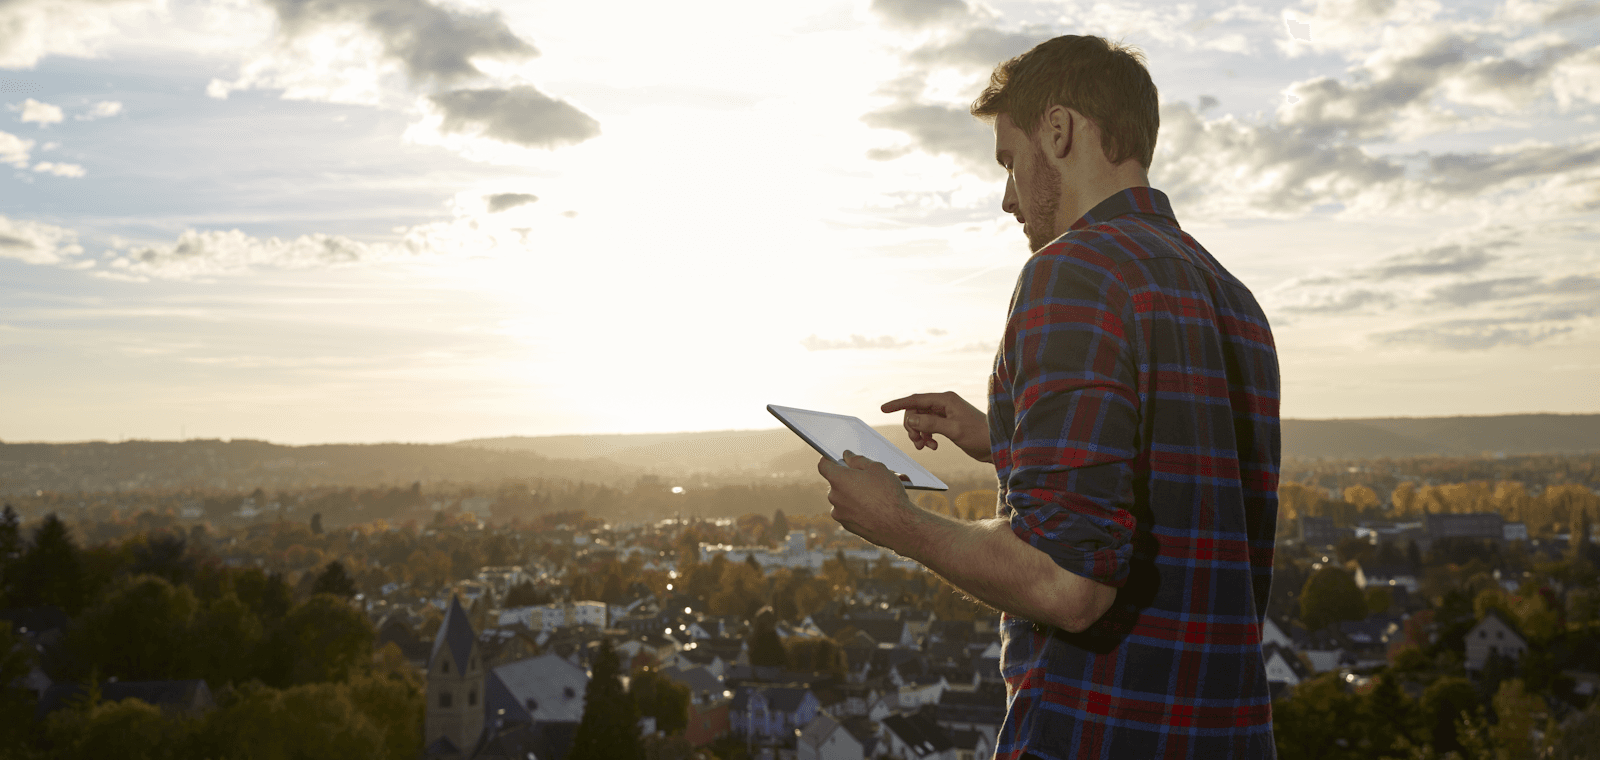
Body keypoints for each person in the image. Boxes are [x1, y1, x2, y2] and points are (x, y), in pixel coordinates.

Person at [817, 35, 1281, 759]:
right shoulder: (1232, 296)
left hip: (1098, 733)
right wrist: (1006, 439)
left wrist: (897, 521)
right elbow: (1177, 489)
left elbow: (1068, 585)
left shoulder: (1073, 272)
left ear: (1059, 131)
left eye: (1009, 159)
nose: (1006, 198)